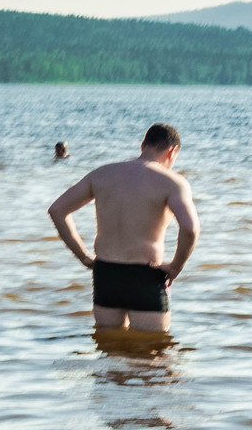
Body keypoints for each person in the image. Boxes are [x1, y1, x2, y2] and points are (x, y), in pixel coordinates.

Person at [47, 124, 198, 334]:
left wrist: (83, 256)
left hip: (105, 273)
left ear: (143, 145)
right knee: (152, 355)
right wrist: (176, 267)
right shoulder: (173, 183)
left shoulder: (101, 174)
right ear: (172, 152)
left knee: (108, 352)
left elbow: (57, 210)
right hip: (146, 275)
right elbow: (190, 229)